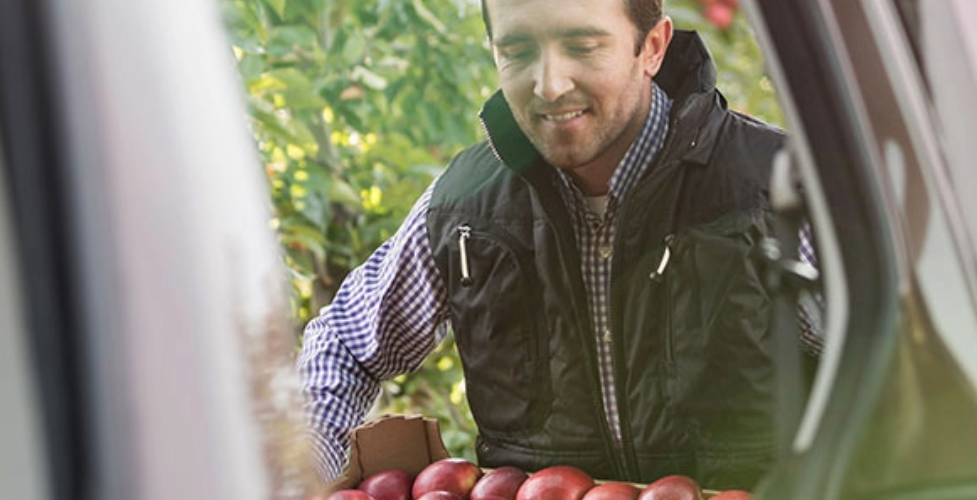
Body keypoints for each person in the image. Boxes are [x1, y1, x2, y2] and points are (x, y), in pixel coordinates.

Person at [297, 0, 815, 489]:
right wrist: (297, 480)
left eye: (583, 46)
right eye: (517, 51)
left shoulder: (777, 193)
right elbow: (343, 345)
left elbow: (888, 376)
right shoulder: (467, 207)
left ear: (652, 47)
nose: (549, 85)